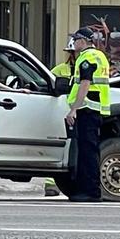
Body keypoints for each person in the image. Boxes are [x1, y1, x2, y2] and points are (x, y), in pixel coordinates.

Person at [65, 27, 110, 202]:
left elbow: (85, 84)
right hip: (95, 109)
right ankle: (89, 190)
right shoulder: (99, 56)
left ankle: (91, 192)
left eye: (75, 40)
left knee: (87, 152)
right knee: (89, 150)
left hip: (87, 110)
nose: (73, 43)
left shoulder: (87, 58)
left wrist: (74, 109)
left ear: (83, 41)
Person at [44, 36, 77, 197]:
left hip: (78, 111)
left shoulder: (87, 67)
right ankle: (51, 184)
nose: (74, 55)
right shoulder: (58, 71)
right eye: (72, 52)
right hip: (61, 112)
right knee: (57, 144)